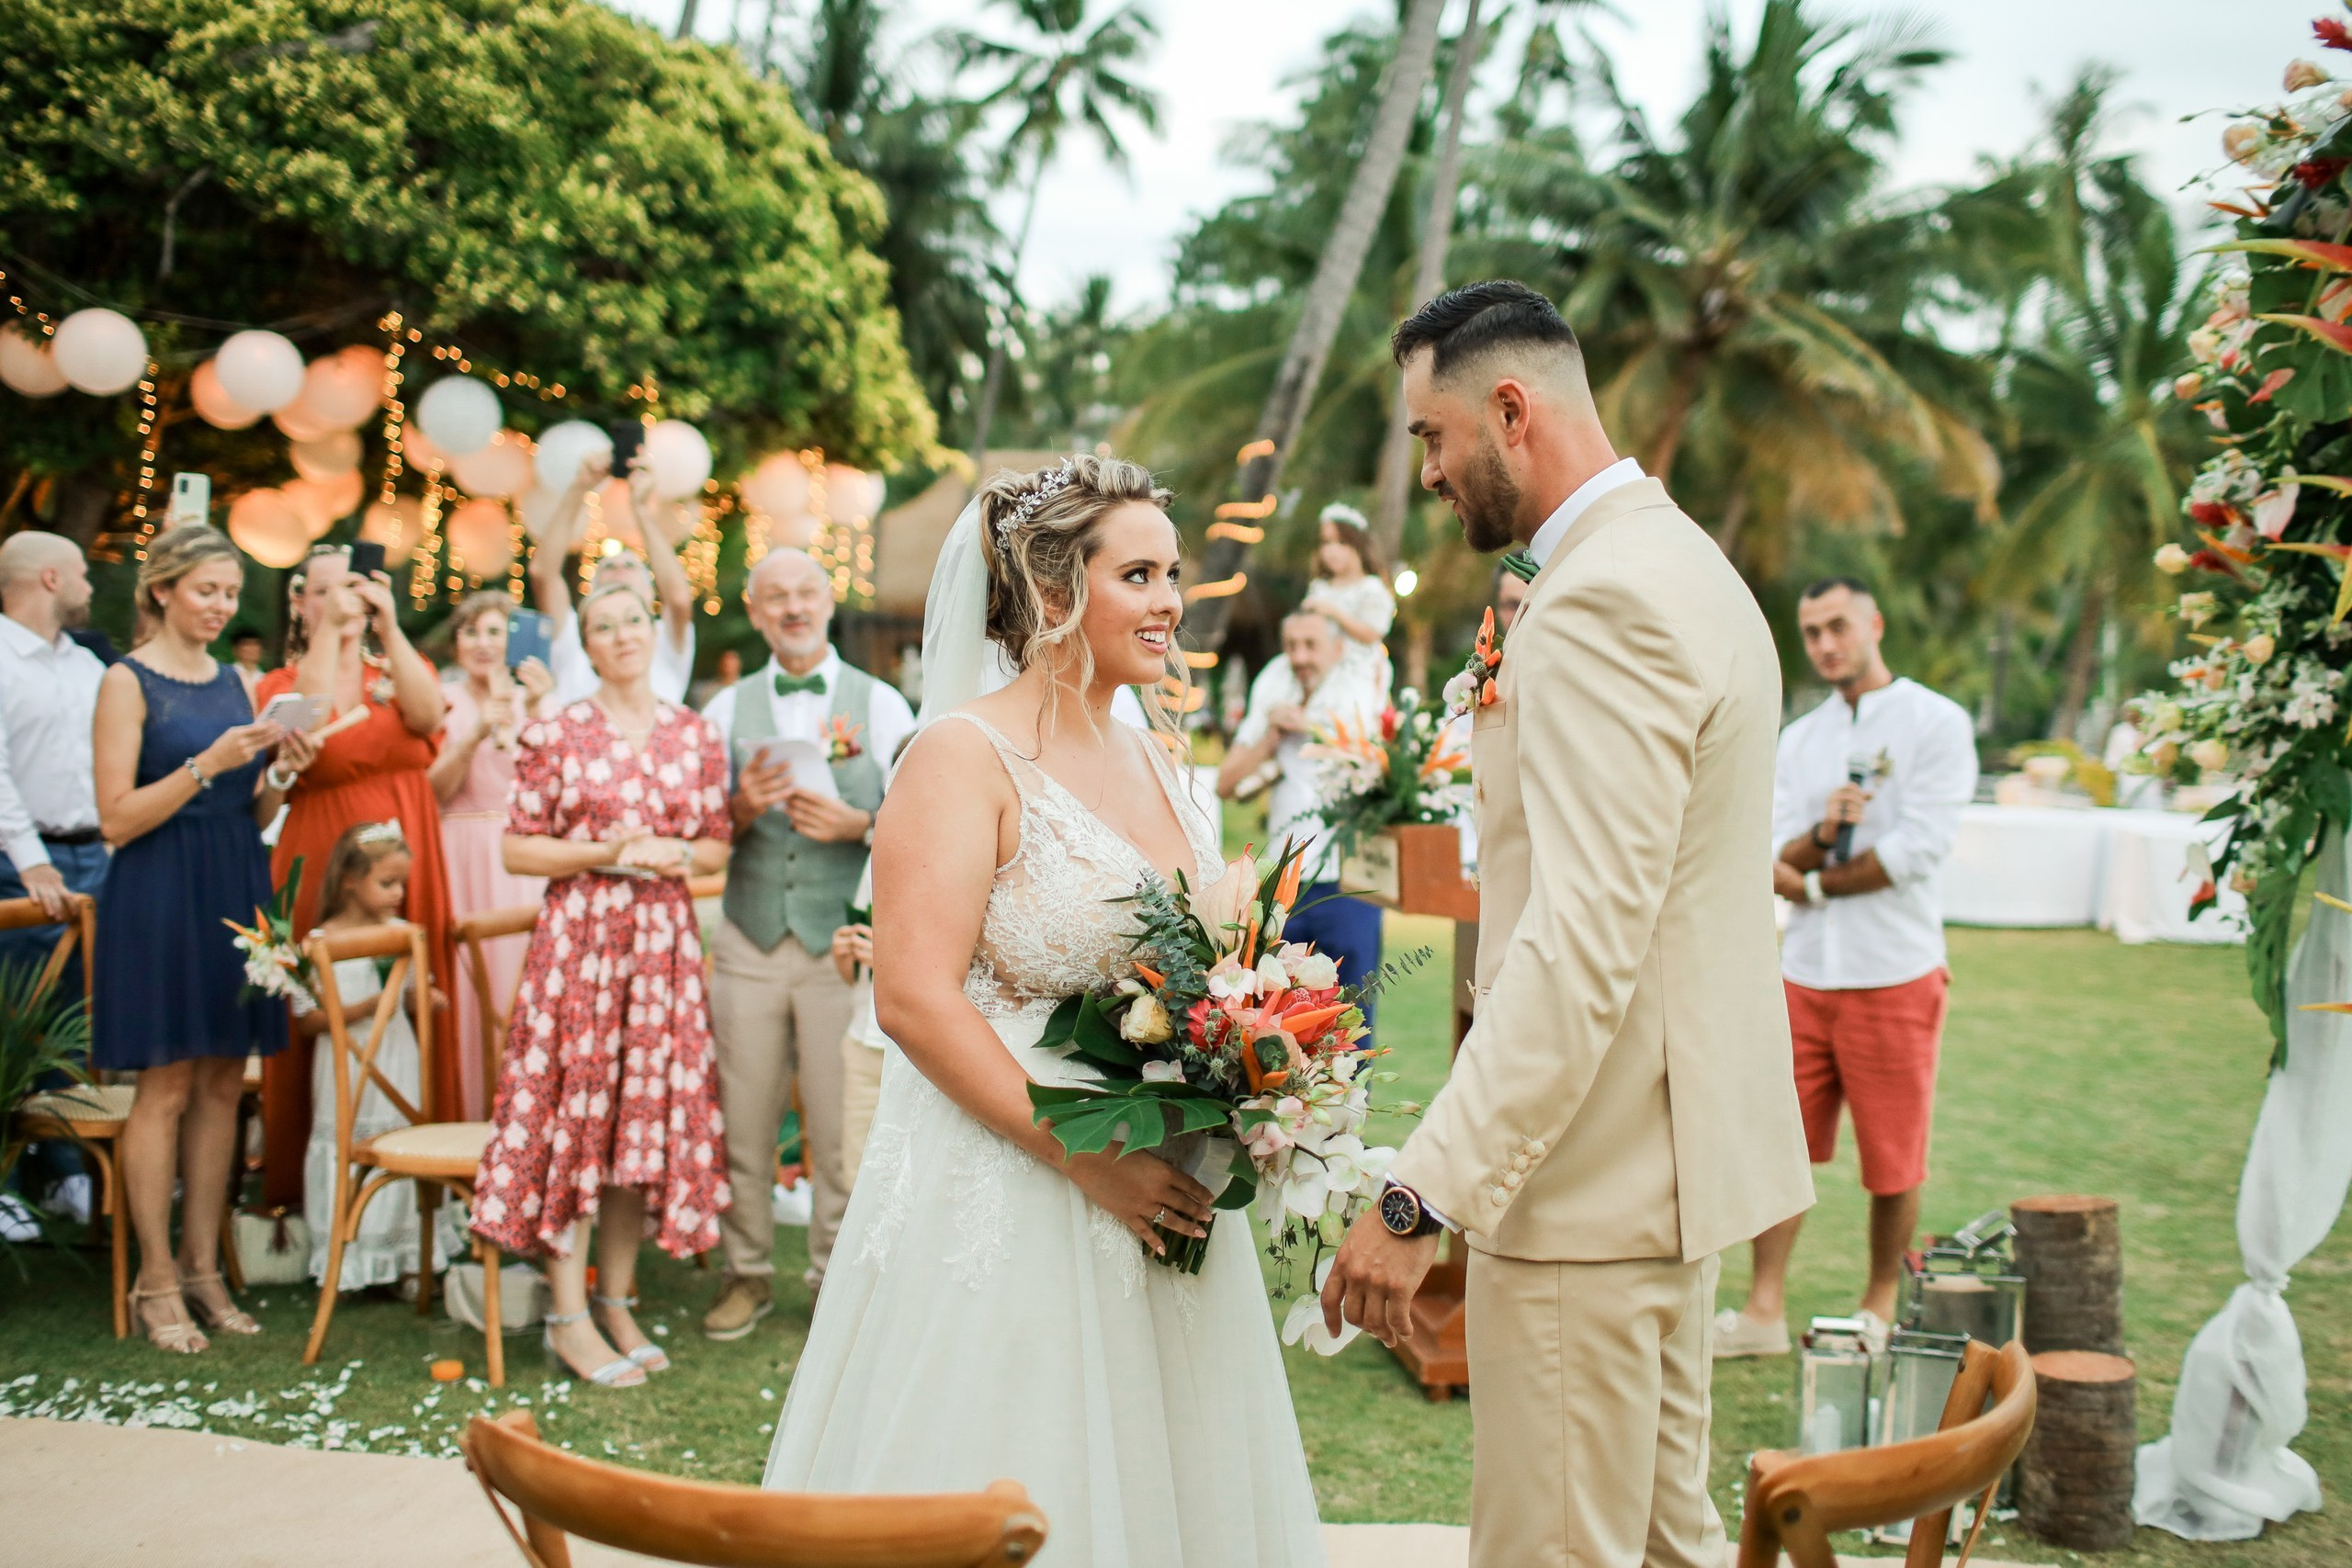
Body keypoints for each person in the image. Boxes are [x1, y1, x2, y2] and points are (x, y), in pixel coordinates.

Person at [1319, 282, 1815, 1568]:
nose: (1428, 472)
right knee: (1662, 1543)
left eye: (1431, 436)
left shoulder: (1602, 603)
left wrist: (1420, 1191)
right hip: (1667, 1167)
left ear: (1510, 409)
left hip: (1588, 1187)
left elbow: (1583, 938)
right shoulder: (1675, 560)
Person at [763, 455, 1325, 1562]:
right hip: (1011, 1181)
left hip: (1165, 1173)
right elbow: (917, 1000)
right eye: (1142, 575)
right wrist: (1084, 1158)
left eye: (1173, 574)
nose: (1170, 602)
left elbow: (1196, 960)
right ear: (1054, 594)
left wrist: (1248, 1052)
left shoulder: (1160, 758)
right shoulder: (959, 757)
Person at [470, 581, 732, 1387]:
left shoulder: (695, 734)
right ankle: (566, 1313)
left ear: (656, 630)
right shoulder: (557, 732)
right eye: (604, 625)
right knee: (578, 1121)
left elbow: (717, 850)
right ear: (586, 643)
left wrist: (671, 854)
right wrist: (601, 852)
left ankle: (615, 1299)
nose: (622, 634)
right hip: (581, 947)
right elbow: (518, 850)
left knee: (638, 1128)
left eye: (633, 620)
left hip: (662, 951)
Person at [1717, 578, 1979, 1359]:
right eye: (1812, 631)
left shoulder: (1937, 722)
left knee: (1893, 1152)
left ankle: (1878, 1302)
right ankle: (1763, 1307)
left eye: (1838, 626)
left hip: (1893, 966)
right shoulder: (1799, 738)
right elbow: (1772, 852)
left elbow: (1919, 848)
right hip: (1803, 972)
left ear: (1875, 622)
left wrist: (1819, 881)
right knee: (1780, 1139)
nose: (1826, 643)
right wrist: (1824, 834)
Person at [91, 525, 318, 1353]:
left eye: (229, 594)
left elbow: (247, 808)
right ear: (161, 590)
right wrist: (206, 764)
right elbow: (115, 818)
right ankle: (154, 1278)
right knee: (169, 1085)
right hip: (157, 888)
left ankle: (203, 1268)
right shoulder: (125, 681)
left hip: (234, 881)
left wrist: (280, 773)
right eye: (206, 591)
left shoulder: (235, 680)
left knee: (226, 1081)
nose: (221, 607)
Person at [695, 549, 915, 1338]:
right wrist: (740, 807)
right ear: (755, 612)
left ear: (828, 602)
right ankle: (745, 1273)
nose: (792, 607)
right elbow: (696, 832)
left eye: (806, 593)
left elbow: (928, 824)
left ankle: (832, 1277)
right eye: (775, 597)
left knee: (839, 1123)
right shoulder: (724, 710)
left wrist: (861, 824)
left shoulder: (883, 705)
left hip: (840, 949)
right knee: (743, 1118)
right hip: (749, 940)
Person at [254, 544, 451, 1208]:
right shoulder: (281, 684)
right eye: (326, 590)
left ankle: (422, 1183)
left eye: (355, 589)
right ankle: (311, 1192)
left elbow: (427, 718)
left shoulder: (394, 665)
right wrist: (329, 635)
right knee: (322, 1013)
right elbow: (305, 714)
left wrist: (388, 625)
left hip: (406, 846)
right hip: (321, 853)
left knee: (415, 1004)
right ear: (301, 601)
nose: (344, 600)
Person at [0, 532, 110, 1223]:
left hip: (96, 854)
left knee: (78, 1019)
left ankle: (64, 1170)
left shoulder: (88, 666)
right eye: (80, 572)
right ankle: (9, 1178)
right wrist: (28, 856)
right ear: (48, 578)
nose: (91, 586)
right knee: (14, 1019)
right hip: (18, 862)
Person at [298, 819, 448, 1292]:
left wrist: (424, 998)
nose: (398, 893)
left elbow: (411, 993)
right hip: (347, 1062)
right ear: (349, 880)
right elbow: (308, 1021)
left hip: (396, 1058)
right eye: (387, 883)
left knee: (399, 1142)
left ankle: (407, 1257)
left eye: (402, 883)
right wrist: (365, 1008)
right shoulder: (319, 942)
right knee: (348, 1145)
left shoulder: (403, 933)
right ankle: (352, 1258)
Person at [1216, 609, 1385, 1025]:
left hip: (1351, 883)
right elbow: (1226, 783)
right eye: (1291, 646)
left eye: (1311, 646)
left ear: (1338, 649)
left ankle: (1355, 1094)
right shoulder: (1274, 688)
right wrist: (1271, 738)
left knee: (1352, 1015)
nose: (1300, 657)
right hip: (1283, 886)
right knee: (1275, 1015)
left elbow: (1379, 768)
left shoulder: (1360, 692)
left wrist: (1309, 725)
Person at [427, 592, 557, 1118]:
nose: (483, 643)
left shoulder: (537, 701)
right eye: (471, 632)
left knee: (523, 992)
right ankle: (464, 1118)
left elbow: (556, 792)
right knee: (467, 989)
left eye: (495, 631)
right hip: (459, 853)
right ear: (456, 644)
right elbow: (431, 792)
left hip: (522, 860)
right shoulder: (440, 699)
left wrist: (540, 709)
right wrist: (475, 734)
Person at [530, 453, 698, 706]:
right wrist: (579, 489)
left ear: (649, 593)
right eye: (608, 567)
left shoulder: (661, 638)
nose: (619, 569)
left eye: (630, 565)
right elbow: (543, 574)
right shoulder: (573, 638)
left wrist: (641, 509)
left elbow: (678, 598)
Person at [1301, 501, 1395, 699]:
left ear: (1358, 546)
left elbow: (1372, 634)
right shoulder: (1320, 586)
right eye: (1326, 542)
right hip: (1316, 661)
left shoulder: (1370, 588)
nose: (1331, 550)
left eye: (1341, 543)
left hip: (1354, 666)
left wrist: (1334, 613)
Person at [228, 626, 266, 700]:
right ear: (236, 649)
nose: (252, 649)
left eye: (255, 644)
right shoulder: (228, 675)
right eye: (247, 644)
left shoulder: (265, 678)